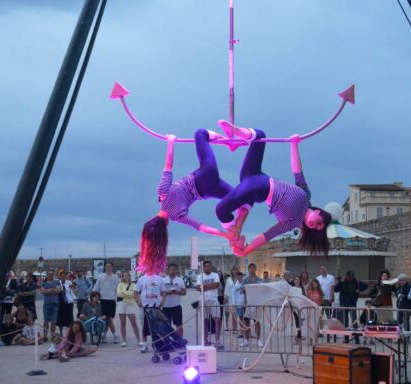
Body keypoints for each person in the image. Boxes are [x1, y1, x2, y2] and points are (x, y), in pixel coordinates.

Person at [215, 123, 332, 257]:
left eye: (314, 228)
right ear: (318, 212)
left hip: (258, 189)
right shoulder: (306, 196)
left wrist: (246, 251)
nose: (313, 225)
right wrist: (294, 145)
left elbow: (267, 236)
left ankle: (233, 233)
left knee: (221, 210)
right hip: (255, 175)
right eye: (319, 222)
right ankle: (234, 130)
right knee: (260, 136)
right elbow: (297, 171)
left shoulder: (292, 223)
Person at [138, 130, 238, 275]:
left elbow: (202, 227)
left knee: (242, 198)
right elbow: (168, 165)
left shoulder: (178, 217)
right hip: (204, 176)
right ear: (151, 219)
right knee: (200, 134)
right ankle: (225, 140)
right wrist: (171, 142)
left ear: (165, 228)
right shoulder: (163, 194)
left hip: (209, 191)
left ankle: (227, 142)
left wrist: (225, 235)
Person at [135, 267, 167, 353]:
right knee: (144, 326)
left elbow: (164, 292)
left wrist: (163, 301)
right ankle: (144, 345)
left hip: (156, 307)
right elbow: (136, 292)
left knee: (156, 327)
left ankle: (156, 344)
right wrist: (138, 301)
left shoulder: (159, 279)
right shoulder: (141, 279)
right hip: (144, 307)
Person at [196, 260, 224, 349]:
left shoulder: (215, 275)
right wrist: (209, 286)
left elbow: (217, 284)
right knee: (205, 321)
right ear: (203, 267)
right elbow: (198, 288)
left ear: (211, 267)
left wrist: (205, 286)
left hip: (214, 300)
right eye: (206, 266)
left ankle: (217, 340)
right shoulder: (200, 276)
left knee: (217, 320)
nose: (207, 268)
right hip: (203, 301)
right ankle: (205, 339)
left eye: (209, 266)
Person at [93, 261, 120, 343]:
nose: (108, 268)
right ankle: (112, 335)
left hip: (111, 301)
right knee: (106, 320)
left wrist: (116, 299)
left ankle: (106, 335)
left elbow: (117, 289)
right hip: (102, 301)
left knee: (109, 319)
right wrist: (92, 298)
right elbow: (96, 288)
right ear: (105, 267)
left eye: (109, 266)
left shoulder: (116, 277)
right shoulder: (100, 276)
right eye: (107, 266)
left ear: (112, 268)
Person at [240, 263, 263, 347]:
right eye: (251, 268)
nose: (252, 269)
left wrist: (251, 289)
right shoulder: (245, 279)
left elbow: (261, 291)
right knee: (246, 322)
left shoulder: (260, 279)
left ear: (256, 269)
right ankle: (246, 339)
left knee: (256, 321)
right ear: (249, 269)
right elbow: (242, 290)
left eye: (254, 268)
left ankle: (259, 339)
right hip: (247, 303)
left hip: (256, 303)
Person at [161, 264, 186, 338]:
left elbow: (184, 292)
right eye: (171, 270)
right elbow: (160, 293)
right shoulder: (163, 280)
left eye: (174, 270)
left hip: (176, 306)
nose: (172, 271)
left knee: (179, 325)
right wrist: (168, 293)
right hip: (166, 307)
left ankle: (179, 340)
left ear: (176, 271)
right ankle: (168, 341)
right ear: (168, 271)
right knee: (166, 325)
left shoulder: (180, 280)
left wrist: (177, 292)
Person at [117, 271, 141, 347]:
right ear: (122, 277)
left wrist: (124, 292)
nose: (126, 277)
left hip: (131, 305)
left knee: (134, 323)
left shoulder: (134, 285)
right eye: (124, 276)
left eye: (127, 275)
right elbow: (119, 294)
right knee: (122, 323)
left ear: (130, 276)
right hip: (122, 305)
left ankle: (139, 340)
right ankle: (124, 341)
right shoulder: (120, 284)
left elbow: (133, 294)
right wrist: (128, 293)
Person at [41, 270, 62, 342]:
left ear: (54, 275)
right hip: (46, 304)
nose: (50, 276)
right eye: (49, 274)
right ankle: (45, 336)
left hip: (55, 304)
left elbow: (58, 291)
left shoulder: (57, 282)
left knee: (54, 321)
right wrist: (52, 289)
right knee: (46, 321)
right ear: (47, 275)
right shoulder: (44, 283)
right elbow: (42, 291)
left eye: (52, 274)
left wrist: (48, 291)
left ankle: (52, 336)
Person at [57, 271, 75, 335]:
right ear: (60, 276)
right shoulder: (58, 283)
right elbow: (56, 291)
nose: (64, 277)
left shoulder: (69, 282)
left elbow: (73, 289)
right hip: (60, 301)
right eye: (62, 275)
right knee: (60, 317)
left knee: (70, 317)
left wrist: (73, 286)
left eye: (65, 275)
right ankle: (61, 332)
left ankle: (70, 332)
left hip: (69, 301)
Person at [224, 266, 239, 333]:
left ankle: (235, 328)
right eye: (234, 270)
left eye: (236, 270)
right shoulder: (228, 280)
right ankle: (230, 327)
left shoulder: (239, 279)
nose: (235, 271)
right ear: (232, 271)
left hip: (237, 299)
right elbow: (226, 289)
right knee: (230, 314)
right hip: (230, 299)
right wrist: (225, 298)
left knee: (236, 314)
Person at [233, 271, 246, 338]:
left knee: (246, 319)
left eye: (240, 276)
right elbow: (234, 295)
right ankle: (241, 332)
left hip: (246, 304)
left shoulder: (245, 283)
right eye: (237, 276)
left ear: (242, 276)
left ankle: (247, 332)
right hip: (239, 304)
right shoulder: (235, 285)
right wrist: (234, 303)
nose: (239, 277)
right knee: (240, 318)